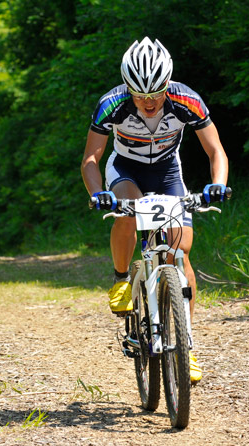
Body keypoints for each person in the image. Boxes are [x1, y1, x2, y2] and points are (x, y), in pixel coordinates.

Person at [81, 37, 229, 384]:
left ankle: (186, 346)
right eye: (139, 95)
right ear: (127, 88)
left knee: (181, 252)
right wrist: (98, 193)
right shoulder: (111, 104)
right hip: (125, 170)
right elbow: (91, 158)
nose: (148, 103)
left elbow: (215, 151)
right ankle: (120, 278)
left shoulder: (187, 100)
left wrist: (218, 184)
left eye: (156, 94)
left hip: (167, 172)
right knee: (129, 213)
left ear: (168, 85)